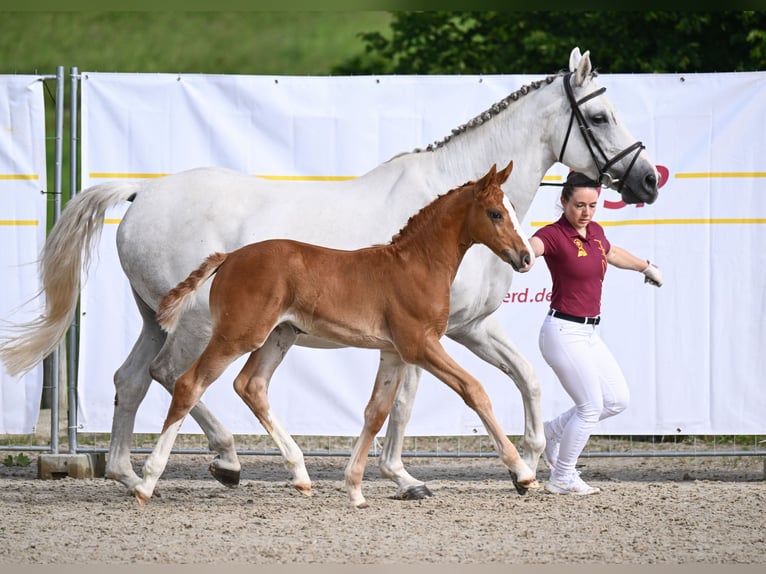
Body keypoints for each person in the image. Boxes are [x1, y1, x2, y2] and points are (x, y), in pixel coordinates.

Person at [528, 171, 663, 496]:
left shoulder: (596, 232)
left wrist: (646, 266)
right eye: (579, 205)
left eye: (592, 205)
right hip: (562, 332)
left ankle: (550, 432)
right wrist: (521, 256)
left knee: (617, 400)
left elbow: (612, 253)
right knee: (589, 406)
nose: (586, 212)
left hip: (590, 334)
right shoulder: (552, 234)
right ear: (563, 202)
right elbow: (530, 248)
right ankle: (562, 477)